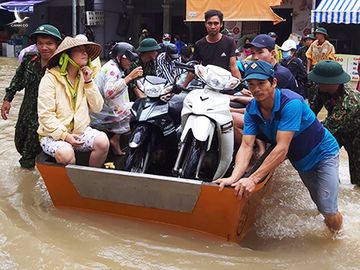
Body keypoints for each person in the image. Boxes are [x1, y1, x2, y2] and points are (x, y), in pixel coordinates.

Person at [215, 61, 343, 233]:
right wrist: (234, 177)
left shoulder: (291, 103)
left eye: (261, 83)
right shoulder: (252, 109)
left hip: (324, 154)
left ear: (274, 83)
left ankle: (337, 239)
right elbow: (246, 146)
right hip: (302, 162)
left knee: (328, 209)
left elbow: (282, 149)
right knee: (320, 204)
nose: (256, 89)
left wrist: (252, 179)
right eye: (251, 85)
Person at [37, 37, 109, 167]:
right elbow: (45, 116)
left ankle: (89, 177)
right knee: (66, 153)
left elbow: (97, 107)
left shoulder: (84, 77)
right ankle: (71, 184)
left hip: (79, 131)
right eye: (79, 50)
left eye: (85, 51)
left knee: (103, 142)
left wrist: (88, 82)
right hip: (53, 135)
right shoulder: (50, 79)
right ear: (67, 55)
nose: (85, 53)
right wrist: (65, 136)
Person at [1, 24, 62, 169]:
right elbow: (18, 79)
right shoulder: (30, 59)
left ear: (57, 44)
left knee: (27, 156)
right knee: (19, 143)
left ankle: (29, 180)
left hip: (45, 116)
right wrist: (7, 99)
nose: (44, 47)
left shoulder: (62, 65)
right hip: (25, 111)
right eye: (40, 43)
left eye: (49, 44)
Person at [308, 60, 360, 186]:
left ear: (332, 83)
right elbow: (311, 112)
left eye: (319, 80)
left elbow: (326, 127)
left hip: (356, 134)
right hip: (338, 129)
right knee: (321, 158)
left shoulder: (350, 102)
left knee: (357, 174)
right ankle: (332, 185)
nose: (316, 82)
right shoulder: (321, 88)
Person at [91, 42, 143, 156]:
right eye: (128, 59)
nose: (130, 62)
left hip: (103, 108)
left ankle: (116, 139)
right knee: (136, 108)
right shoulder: (112, 70)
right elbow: (109, 93)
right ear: (119, 58)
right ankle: (116, 139)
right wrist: (129, 77)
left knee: (127, 104)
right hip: (100, 112)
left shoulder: (114, 66)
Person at [192, 9, 241, 79]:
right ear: (205, 24)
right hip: (206, 84)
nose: (212, 27)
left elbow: (233, 66)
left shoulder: (229, 42)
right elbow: (194, 68)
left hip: (225, 84)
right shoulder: (199, 44)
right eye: (210, 23)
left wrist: (241, 86)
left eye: (216, 23)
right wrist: (183, 85)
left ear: (221, 24)